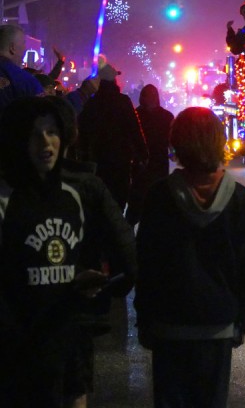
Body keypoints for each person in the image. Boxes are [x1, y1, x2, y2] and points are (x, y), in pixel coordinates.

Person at [0, 96, 136, 408]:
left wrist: (103, 283)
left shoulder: (81, 191)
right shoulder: (6, 199)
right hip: (18, 343)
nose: (45, 141)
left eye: (52, 132)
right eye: (35, 134)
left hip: (68, 335)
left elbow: (126, 251)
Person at [135, 107, 245, 408]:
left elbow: (146, 265)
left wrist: (145, 319)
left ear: (176, 144)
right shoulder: (239, 199)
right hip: (218, 323)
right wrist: (242, 318)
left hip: (169, 324)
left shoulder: (159, 196)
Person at [77, 63, 149, 217]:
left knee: (98, 205)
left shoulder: (91, 103)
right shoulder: (123, 101)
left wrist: (83, 157)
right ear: (114, 81)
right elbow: (134, 129)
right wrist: (143, 153)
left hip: (97, 161)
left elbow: (82, 132)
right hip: (120, 161)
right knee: (117, 201)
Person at [132, 84, 175, 227]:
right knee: (159, 200)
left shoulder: (135, 115)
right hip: (159, 163)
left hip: (140, 165)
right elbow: (172, 141)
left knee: (137, 203)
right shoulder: (167, 116)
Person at [0, 23, 45, 119]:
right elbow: (42, 118)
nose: (25, 49)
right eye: (24, 43)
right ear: (13, 48)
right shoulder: (27, 81)